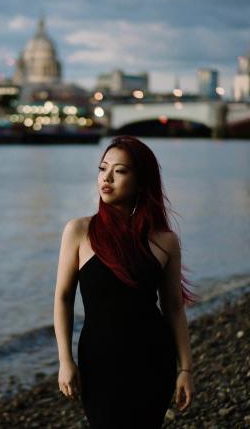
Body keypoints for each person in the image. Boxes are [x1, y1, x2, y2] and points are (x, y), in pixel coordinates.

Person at [53, 135, 196, 428]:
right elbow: (63, 298)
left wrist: (185, 369)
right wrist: (65, 360)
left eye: (119, 171)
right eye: (103, 168)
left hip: (153, 360)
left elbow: (173, 308)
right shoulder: (79, 231)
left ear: (141, 181)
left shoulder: (165, 241)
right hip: (99, 361)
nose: (106, 178)